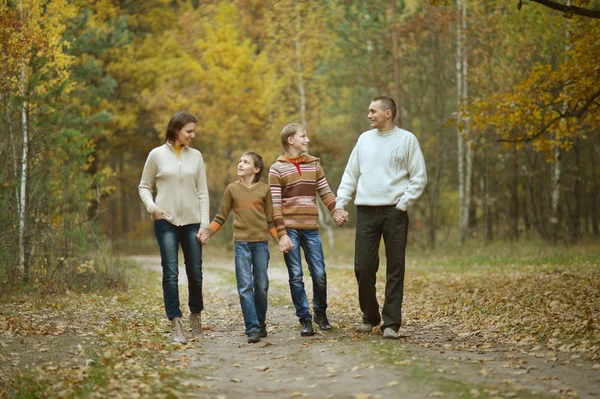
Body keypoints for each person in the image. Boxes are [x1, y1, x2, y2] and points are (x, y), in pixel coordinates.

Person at [335, 97, 427, 340]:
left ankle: (391, 323)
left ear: (388, 113)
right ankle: (370, 315)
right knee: (363, 267)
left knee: (395, 268)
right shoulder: (364, 140)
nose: (369, 115)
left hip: (395, 212)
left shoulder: (407, 139)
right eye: (369, 111)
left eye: (373, 111)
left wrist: (403, 204)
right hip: (365, 211)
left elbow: (419, 177)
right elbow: (350, 173)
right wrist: (340, 202)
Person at [138, 111, 211, 344]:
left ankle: (195, 317)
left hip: (192, 223)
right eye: (189, 131)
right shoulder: (156, 155)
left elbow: (203, 193)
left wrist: (205, 225)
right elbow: (144, 186)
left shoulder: (196, 156)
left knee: (195, 273)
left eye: (193, 131)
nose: (193, 135)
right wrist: (153, 208)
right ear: (176, 130)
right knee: (170, 273)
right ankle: (175, 323)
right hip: (165, 222)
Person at [269, 123, 347, 336]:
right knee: (296, 275)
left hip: (311, 229)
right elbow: (275, 205)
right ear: (290, 140)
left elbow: (325, 191)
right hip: (290, 230)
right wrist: (282, 234)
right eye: (303, 136)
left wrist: (335, 210)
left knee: (319, 273)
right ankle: (304, 318)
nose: (307, 140)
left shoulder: (314, 164)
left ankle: (320, 313)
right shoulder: (276, 169)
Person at [204, 152, 278, 344]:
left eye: (246, 162)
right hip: (241, 245)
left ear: (256, 169)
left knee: (261, 286)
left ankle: (260, 322)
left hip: (261, 244)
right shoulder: (232, 189)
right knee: (245, 286)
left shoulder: (265, 190)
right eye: (240, 161)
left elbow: (271, 220)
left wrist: (280, 240)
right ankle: (252, 328)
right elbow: (221, 215)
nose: (240, 164)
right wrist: (208, 233)